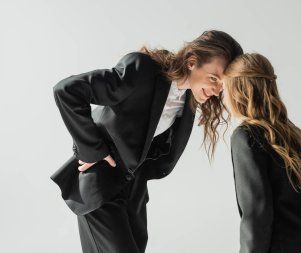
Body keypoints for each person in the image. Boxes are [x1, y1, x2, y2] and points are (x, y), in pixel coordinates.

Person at [51, 30, 243, 253]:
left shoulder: (188, 100)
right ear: (192, 62)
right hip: (101, 187)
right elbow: (67, 91)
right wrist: (91, 151)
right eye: (214, 78)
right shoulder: (142, 69)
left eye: (222, 84)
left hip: (133, 194)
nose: (217, 89)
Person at [222, 53, 301, 253]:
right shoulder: (290, 132)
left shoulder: (245, 137)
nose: (222, 97)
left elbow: (256, 215)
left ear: (237, 91)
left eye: (224, 89)